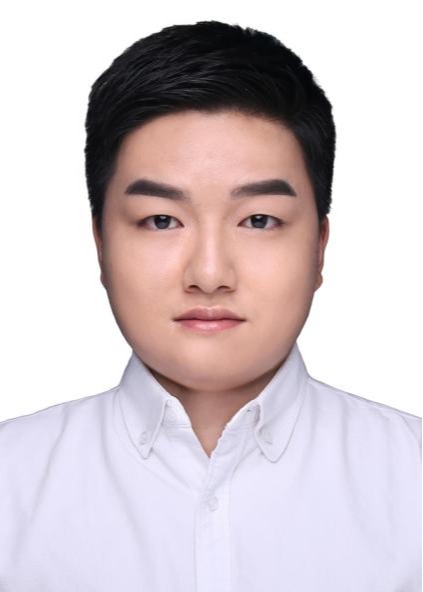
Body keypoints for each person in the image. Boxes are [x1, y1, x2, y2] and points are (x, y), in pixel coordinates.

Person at [0, 20, 420, 591]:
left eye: (258, 220)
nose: (209, 275)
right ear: (100, 244)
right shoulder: (11, 483)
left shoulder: (412, 481)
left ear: (319, 247)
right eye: (162, 220)